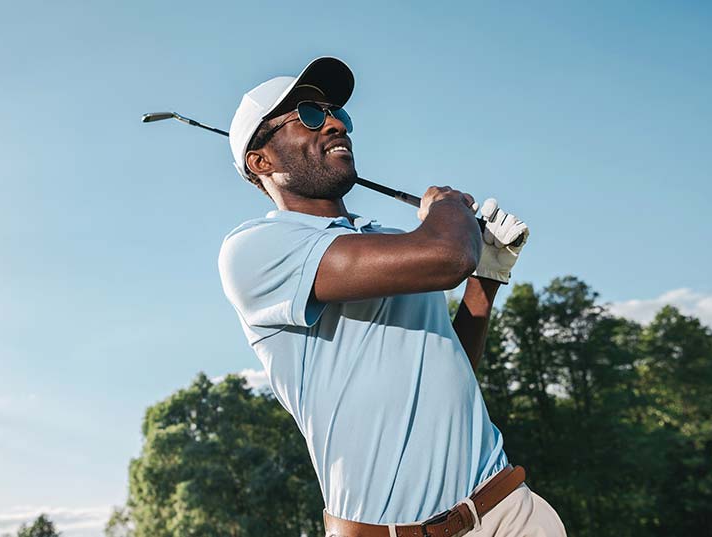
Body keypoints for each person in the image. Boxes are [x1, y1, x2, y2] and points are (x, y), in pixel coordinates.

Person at [217, 56, 567, 537]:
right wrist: (446, 206)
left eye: (337, 113)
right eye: (311, 116)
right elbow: (448, 256)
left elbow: (446, 367)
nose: (337, 124)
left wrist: (485, 277)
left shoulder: (393, 243)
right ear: (262, 162)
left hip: (508, 511)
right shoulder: (256, 249)